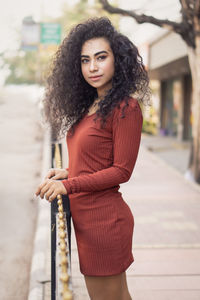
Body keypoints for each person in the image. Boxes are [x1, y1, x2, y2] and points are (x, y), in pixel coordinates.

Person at [35, 17, 150, 300]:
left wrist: (69, 186)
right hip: (88, 220)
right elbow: (95, 161)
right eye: (85, 60)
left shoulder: (126, 107)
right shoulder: (92, 105)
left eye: (101, 57)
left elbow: (121, 171)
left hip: (104, 223)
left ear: (117, 60)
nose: (93, 67)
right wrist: (69, 172)